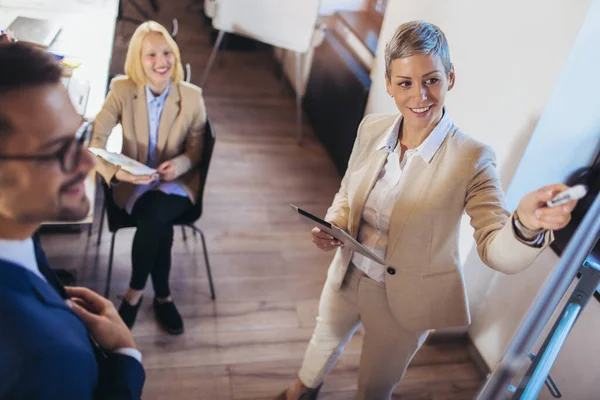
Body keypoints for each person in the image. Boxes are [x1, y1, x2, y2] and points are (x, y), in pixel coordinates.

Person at [277, 21, 579, 400]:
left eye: (431, 80)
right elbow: (347, 190)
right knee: (324, 337)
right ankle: (301, 392)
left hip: (404, 300)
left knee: (375, 385)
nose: (420, 95)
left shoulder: (472, 159)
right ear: (388, 84)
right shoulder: (372, 127)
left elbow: (495, 248)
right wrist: (334, 223)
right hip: (348, 272)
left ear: (450, 78)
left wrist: (525, 224)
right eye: (405, 83)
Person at [0, 42, 145, 399]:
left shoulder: (18, 229)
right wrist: (127, 355)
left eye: (79, 136)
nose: (87, 163)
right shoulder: (45, 355)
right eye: (59, 149)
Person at [91, 21, 207, 334]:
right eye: (151, 54)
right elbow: (95, 143)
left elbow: (197, 152)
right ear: (137, 60)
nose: (161, 61)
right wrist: (118, 172)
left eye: (167, 52)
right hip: (134, 186)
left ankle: (133, 295)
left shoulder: (192, 98)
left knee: (157, 215)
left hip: (176, 185)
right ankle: (163, 298)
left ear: (176, 54)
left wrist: (180, 164)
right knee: (159, 223)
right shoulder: (121, 90)